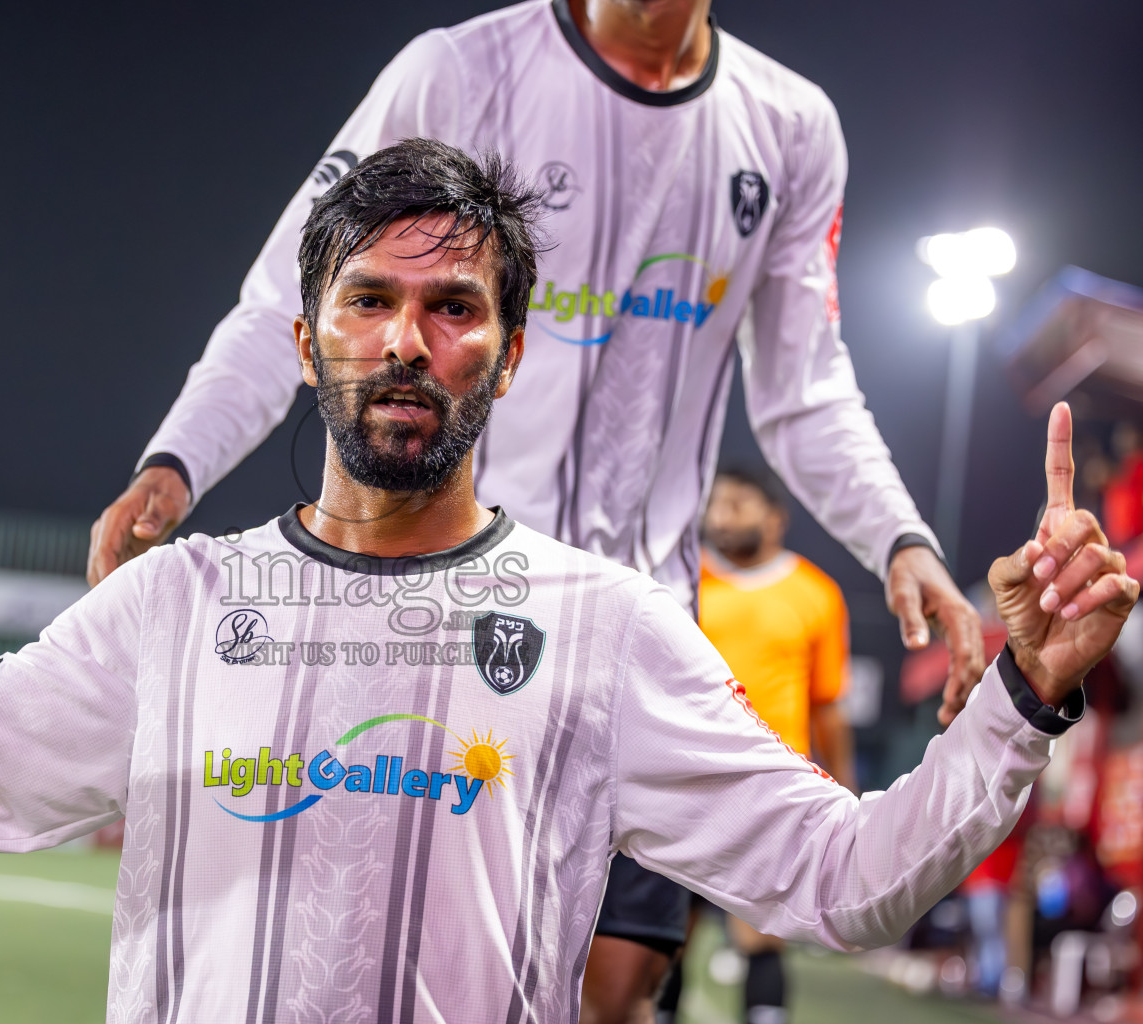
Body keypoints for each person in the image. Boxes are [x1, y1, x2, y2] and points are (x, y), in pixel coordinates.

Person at [0, 141, 1129, 1024]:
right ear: (309, 342)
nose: (411, 341)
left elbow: (848, 882)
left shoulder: (603, 631)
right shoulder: (176, 609)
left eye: (457, 306)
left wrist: (1023, 694)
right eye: (371, 301)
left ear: (512, 354)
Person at [84, 4, 988, 1016]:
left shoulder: (789, 125)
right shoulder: (460, 71)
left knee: (610, 989)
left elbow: (805, 386)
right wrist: (177, 459)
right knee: (411, 968)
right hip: (440, 617)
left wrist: (900, 537)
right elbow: (289, 294)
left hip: (636, 636)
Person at [674, 465, 858, 1023]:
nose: (722, 513)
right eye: (717, 502)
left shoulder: (816, 593)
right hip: (678, 779)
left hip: (769, 790)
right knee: (661, 941)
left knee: (761, 936)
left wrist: (844, 789)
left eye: (739, 502)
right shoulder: (680, 581)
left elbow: (828, 703)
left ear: (776, 519)